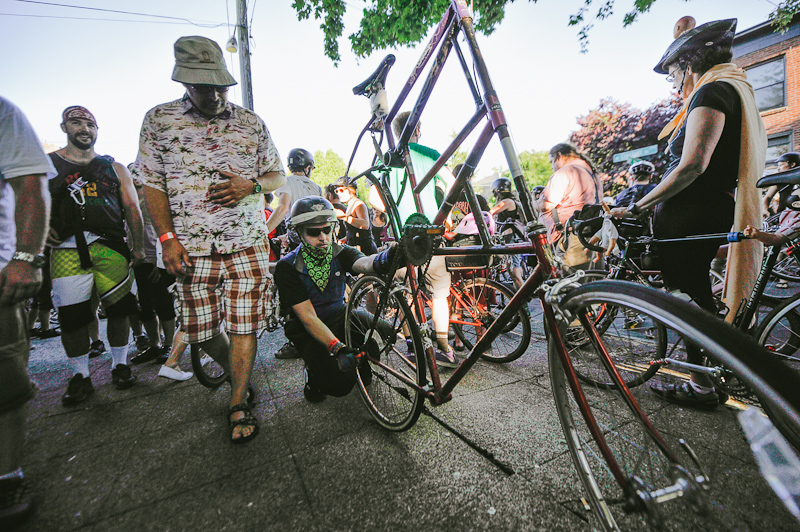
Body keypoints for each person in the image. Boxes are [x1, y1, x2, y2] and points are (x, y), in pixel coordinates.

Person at [137, 36, 286, 443]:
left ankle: (238, 399)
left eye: (222, 85)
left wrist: (251, 185)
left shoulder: (250, 122)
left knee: (245, 324)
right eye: (205, 88)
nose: (217, 94)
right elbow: (151, 182)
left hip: (247, 241)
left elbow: (278, 175)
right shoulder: (159, 120)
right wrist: (166, 239)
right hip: (191, 247)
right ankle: (238, 375)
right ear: (185, 83)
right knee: (200, 330)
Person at [612, 17, 766, 409]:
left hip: (691, 212)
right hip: (705, 208)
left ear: (689, 64)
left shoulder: (712, 91)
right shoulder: (730, 87)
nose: (674, 80)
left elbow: (693, 163)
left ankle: (703, 385)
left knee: (688, 302)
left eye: (674, 71)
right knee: (695, 297)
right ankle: (711, 374)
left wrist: (640, 204)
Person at [48, 106, 145, 406]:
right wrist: (39, 233)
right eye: (76, 122)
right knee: (72, 318)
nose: (84, 128)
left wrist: (139, 247)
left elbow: (132, 208)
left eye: (90, 123)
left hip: (111, 247)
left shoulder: (114, 168)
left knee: (119, 309)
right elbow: (28, 201)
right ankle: (81, 375)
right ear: (64, 127)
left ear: (97, 130)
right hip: (65, 250)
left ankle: (120, 364)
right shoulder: (47, 165)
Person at [274, 197, 402, 401]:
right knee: (340, 385)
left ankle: (360, 361)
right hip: (306, 327)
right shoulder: (287, 267)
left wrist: (386, 258)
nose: (323, 237)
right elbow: (308, 318)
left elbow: (364, 263)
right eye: (314, 232)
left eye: (327, 229)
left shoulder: (340, 252)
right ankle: (315, 377)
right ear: (298, 232)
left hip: (340, 314)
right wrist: (337, 347)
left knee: (380, 329)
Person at [0, 96, 55, 529]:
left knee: (5, 380)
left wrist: (25, 255)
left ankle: (7, 475)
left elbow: (30, 183)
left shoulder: (3, 112)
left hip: (0, 268)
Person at [365, 112, 458, 366]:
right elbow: (453, 183)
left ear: (395, 131)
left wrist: (393, 208)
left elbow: (374, 198)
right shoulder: (428, 153)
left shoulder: (388, 158)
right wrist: (444, 212)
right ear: (416, 129)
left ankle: (411, 346)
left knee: (405, 293)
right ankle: (444, 348)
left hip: (403, 236)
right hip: (432, 234)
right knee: (439, 293)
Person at [265, 148, 322, 360]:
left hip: (299, 245)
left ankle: (296, 342)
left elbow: (283, 207)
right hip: (317, 243)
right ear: (308, 167)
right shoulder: (316, 187)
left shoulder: (287, 182)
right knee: (316, 290)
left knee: (291, 291)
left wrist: (262, 232)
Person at [127, 164, 176, 365]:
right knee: (144, 306)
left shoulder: (155, 197)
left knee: (163, 303)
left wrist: (161, 262)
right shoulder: (127, 198)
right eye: (132, 172)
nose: (136, 176)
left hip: (157, 259)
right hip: (136, 260)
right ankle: (154, 345)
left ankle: (169, 346)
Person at [538, 143, 602, 270]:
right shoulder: (592, 174)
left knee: (569, 283)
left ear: (560, 156)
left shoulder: (565, 172)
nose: (552, 167)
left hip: (571, 238)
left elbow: (546, 205)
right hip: (591, 234)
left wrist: (536, 203)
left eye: (552, 162)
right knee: (591, 280)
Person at [490, 177, 526, 290]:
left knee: (515, 274)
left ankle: (524, 301)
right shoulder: (509, 200)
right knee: (512, 272)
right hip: (510, 239)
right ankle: (520, 299)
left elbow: (490, 212)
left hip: (513, 239)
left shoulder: (507, 202)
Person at [336, 178, 377, 254]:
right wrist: (346, 238)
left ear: (352, 191)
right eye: (337, 191)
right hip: (356, 248)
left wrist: (344, 217)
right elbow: (354, 230)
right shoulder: (350, 205)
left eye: (341, 190)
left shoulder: (358, 204)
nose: (338, 193)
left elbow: (365, 225)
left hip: (365, 249)